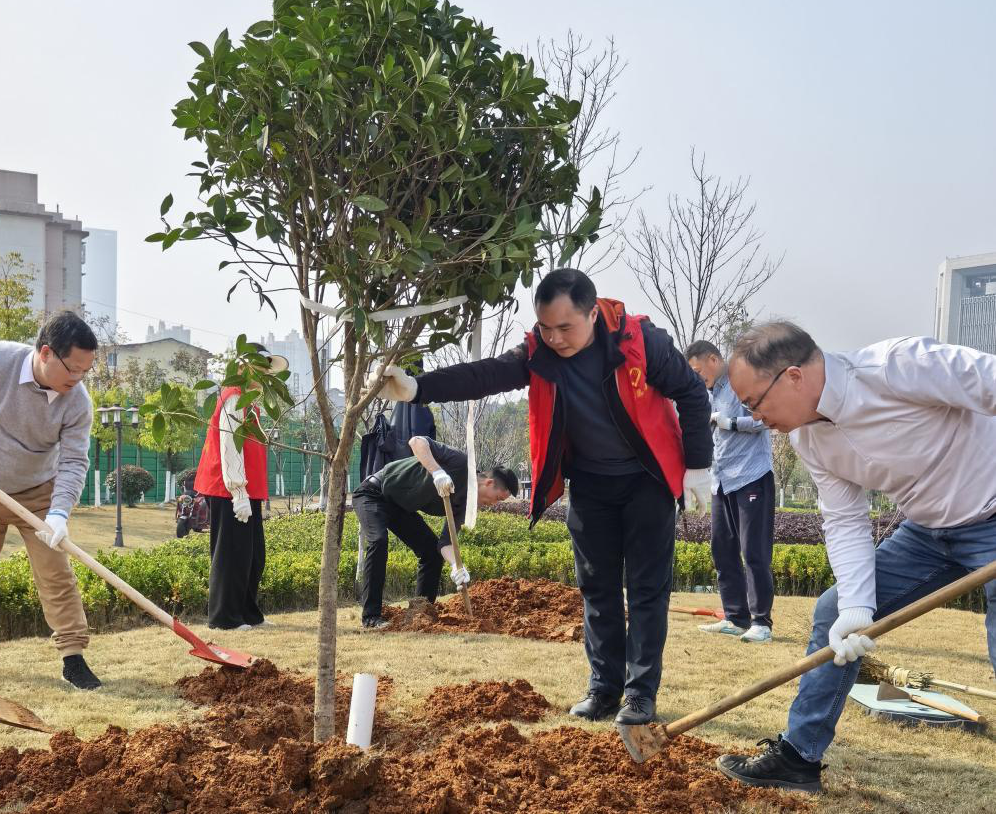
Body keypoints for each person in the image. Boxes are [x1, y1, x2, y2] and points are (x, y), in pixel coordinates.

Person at [375, 268, 712, 727]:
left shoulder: (641, 341)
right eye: (545, 327)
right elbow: (486, 375)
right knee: (597, 590)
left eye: (565, 327)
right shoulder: (540, 352)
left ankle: (639, 695)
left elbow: (692, 393)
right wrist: (418, 388)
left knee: (648, 590)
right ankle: (603, 688)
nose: (554, 338)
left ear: (593, 313)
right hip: (590, 485)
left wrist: (697, 465)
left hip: (647, 482)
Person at [716, 322, 996, 794]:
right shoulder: (809, 439)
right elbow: (844, 521)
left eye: (754, 403)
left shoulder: (897, 367)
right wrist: (856, 610)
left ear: (792, 377)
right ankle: (798, 758)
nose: (755, 418)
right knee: (831, 611)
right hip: (927, 532)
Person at [0, 311, 101, 690]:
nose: (77, 380)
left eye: (84, 372)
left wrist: (59, 512)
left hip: (39, 495)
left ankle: (73, 658)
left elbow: (75, 461)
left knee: (56, 573)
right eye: (73, 369)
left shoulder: (77, 403)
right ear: (45, 353)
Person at [353, 436, 518, 628]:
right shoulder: (460, 463)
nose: (493, 505)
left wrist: (456, 565)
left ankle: (421, 613)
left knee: (432, 552)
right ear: (489, 483)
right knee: (378, 541)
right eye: (497, 498)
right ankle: (371, 617)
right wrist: (438, 472)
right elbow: (416, 442)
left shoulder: (466, 505)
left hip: (400, 508)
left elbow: (446, 543)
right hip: (373, 493)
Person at [686, 339, 776, 643]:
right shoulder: (711, 392)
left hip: (751, 476)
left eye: (699, 370)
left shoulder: (743, 382)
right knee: (722, 549)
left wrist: (731, 422)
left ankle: (761, 622)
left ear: (714, 359)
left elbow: (766, 419)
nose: (698, 376)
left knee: (754, 552)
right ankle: (736, 618)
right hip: (722, 479)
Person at [193, 343, 288, 630]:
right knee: (231, 553)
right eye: (259, 368)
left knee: (252, 555)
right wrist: (238, 491)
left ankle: (248, 613)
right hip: (230, 490)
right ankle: (225, 617)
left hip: (248, 489)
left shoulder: (250, 402)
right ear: (242, 369)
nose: (264, 374)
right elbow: (229, 446)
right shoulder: (233, 397)